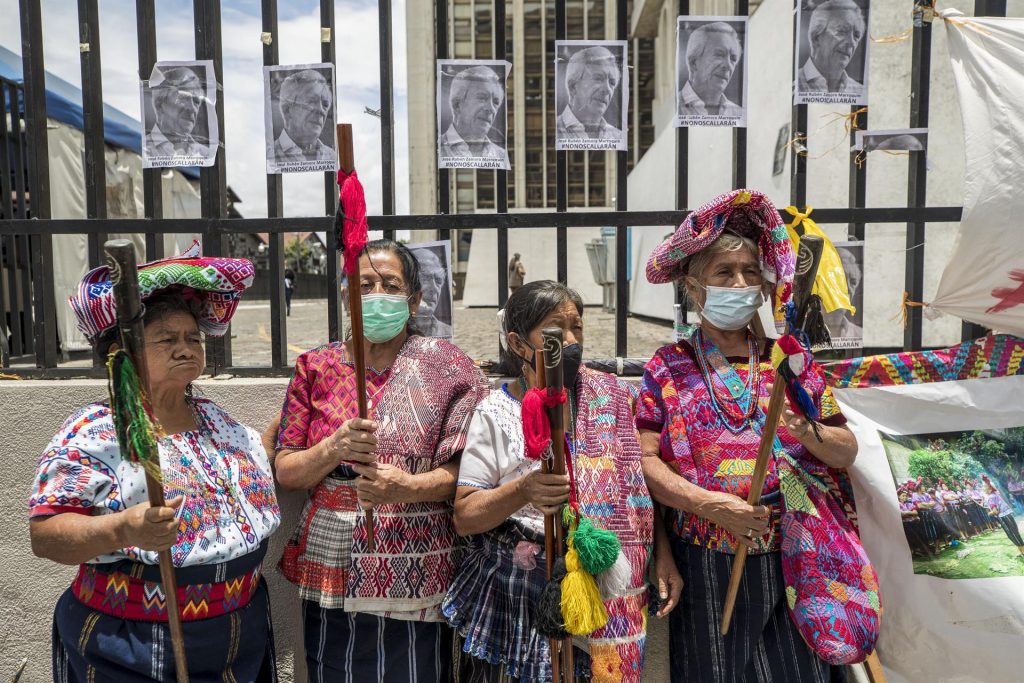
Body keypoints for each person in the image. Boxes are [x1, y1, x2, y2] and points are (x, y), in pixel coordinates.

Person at [637, 189, 860, 683]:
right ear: (694, 289)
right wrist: (711, 506)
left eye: (750, 272)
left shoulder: (789, 362)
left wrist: (805, 427)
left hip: (795, 561)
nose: (740, 283)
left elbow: (845, 450)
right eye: (723, 273)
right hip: (706, 560)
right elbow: (645, 463)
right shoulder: (667, 368)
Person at [31, 246, 280, 681]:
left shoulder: (218, 421)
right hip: (133, 644)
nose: (186, 348)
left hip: (238, 636)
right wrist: (123, 528)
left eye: (193, 338)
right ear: (122, 352)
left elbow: (247, 477)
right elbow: (46, 535)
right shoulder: (98, 431)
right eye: (167, 339)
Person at [272, 238, 491, 681]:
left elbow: (467, 471)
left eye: (389, 285)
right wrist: (334, 448)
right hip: (330, 564)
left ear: (414, 300)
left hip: (417, 564)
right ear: (346, 293)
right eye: (363, 284)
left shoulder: (449, 368)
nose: (374, 296)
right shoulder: (316, 367)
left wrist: (406, 487)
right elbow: (287, 471)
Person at [443, 280, 674, 682]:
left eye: (577, 328)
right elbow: (465, 515)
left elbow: (636, 491)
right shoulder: (495, 412)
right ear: (518, 344)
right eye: (554, 330)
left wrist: (662, 554)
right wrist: (523, 490)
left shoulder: (611, 397)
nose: (570, 340)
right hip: (521, 597)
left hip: (607, 587)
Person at [438, 66, 510, 165]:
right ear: (457, 104)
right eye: (482, 98)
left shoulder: (502, 156)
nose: (491, 109)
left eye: (496, 102)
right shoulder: (434, 150)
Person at [798, 0, 866, 96]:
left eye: (856, 36)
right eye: (842, 31)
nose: (851, 43)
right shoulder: (792, 84)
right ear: (816, 37)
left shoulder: (861, 92)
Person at [556, 46, 623, 140]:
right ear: (573, 87)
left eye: (612, 82)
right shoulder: (554, 131)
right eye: (598, 78)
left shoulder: (618, 137)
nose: (607, 90)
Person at [679, 22, 743, 117]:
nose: (728, 65)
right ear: (693, 62)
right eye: (719, 54)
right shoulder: (675, 108)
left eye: (733, 58)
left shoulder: (738, 114)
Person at [146, 66, 210, 158]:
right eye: (183, 97)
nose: (192, 109)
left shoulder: (206, 155)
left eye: (196, 101)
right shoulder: (141, 150)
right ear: (160, 102)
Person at [273, 69, 334, 163]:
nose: (321, 110)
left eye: (325, 104)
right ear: (287, 109)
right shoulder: (270, 155)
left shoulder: (333, 156)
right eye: (311, 101)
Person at [411, 247, 454, 339]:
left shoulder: (447, 331)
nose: (434, 288)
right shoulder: (392, 332)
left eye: (438, 280)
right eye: (425, 277)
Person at [983, 476, 1024, 556]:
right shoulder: (996, 493)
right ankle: (1021, 550)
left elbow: (995, 511)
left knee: (1011, 534)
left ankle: (1022, 551)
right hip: (1008, 515)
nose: (983, 488)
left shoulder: (990, 498)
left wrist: (989, 513)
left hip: (1003, 518)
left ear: (990, 489)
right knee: (1015, 532)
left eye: (984, 487)